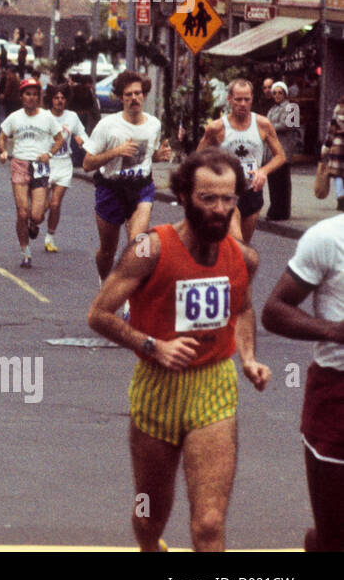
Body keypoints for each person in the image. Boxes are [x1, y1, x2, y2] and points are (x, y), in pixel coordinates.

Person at [87, 147, 270, 552]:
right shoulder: (149, 250)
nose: (219, 209)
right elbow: (99, 315)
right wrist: (153, 345)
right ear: (184, 197)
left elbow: (242, 308)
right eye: (208, 198)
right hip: (157, 386)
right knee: (149, 511)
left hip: (214, 387)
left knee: (208, 523)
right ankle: (150, 546)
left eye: (228, 199)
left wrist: (250, 357)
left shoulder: (244, 259)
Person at [262, 211, 344, 551]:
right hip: (337, 394)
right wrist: (333, 331)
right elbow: (274, 310)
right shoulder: (328, 238)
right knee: (333, 537)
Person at [82, 71, 173, 300]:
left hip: (141, 187)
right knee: (107, 251)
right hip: (111, 189)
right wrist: (116, 152)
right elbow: (87, 163)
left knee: (138, 242)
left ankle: (132, 297)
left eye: (138, 93)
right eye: (128, 94)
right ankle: (105, 283)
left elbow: (147, 157)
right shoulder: (107, 126)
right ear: (120, 98)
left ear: (144, 96)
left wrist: (159, 156)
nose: (134, 98)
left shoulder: (153, 124)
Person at [196, 78, 285, 244]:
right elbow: (197, 158)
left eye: (247, 99)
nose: (243, 104)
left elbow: (280, 156)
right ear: (229, 99)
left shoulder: (262, 124)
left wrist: (263, 171)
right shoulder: (217, 128)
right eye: (238, 99)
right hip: (227, 193)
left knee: (243, 247)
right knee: (236, 243)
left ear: (252, 99)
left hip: (252, 191)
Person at [0, 77, 63, 268]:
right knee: (22, 212)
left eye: (35, 94)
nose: (31, 98)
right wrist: (2, 151)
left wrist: (49, 153)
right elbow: (2, 137)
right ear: (21, 96)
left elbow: (59, 139)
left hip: (39, 165)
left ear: (39, 97)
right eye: (28, 94)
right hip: (19, 163)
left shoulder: (47, 117)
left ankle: (35, 225)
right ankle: (25, 252)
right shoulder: (15, 117)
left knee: (36, 215)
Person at [42, 84, 88, 254]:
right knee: (42, 207)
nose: (59, 101)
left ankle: (50, 237)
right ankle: (35, 221)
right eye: (56, 98)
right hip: (46, 164)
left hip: (63, 164)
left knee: (55, 204)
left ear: (66, 100)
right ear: (51, 100)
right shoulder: (44, 116)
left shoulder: (72, 117)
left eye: (62, 98)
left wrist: (83, 141)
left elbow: (83, 134)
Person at [264, 81, 300, 221]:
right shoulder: (272, 109)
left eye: (280, 92)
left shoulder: (292, 107)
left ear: (285, 94)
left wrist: (268, 127)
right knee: (273, 182)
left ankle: (283, 211)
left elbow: (288, 125)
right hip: (272, 151)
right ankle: (274, 209)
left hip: (284, 149)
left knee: (282, 182)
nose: (277, 95)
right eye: (275, 93)